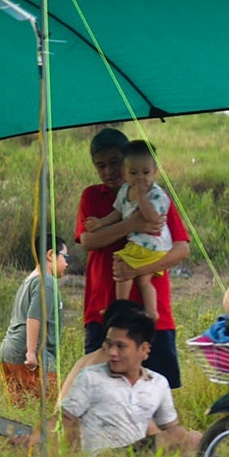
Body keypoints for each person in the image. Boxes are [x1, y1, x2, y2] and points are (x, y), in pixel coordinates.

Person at [75, 128, 187, 387]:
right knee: (101, 392)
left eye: (115, 162)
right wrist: (132, 223)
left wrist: (136, 271)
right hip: (103, 312)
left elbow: (181, 250)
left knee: (154, 393)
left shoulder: (157, 196)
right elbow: (89, 240)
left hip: (152, 315)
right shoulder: (92, 196)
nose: (109, 171)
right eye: (100, 165)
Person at [59, 312, 197, 455]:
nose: (113, 352)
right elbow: (68, 420)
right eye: (110, 344)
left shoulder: (150, 380)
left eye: (120, 346)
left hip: (124, 451)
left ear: (143, 349)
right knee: (183, 439)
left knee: (188, 440)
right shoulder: (96, 375)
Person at [0, 243, 65, 403]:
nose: (67, 263)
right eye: (65, 257)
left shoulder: (29, 280)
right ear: (50, 254)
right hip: (29, 359)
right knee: (52, 409)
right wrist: (31, 353)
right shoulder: (47, 282)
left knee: (19, 416)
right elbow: (34, 317)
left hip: (7, 354)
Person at [111, 141, 170, 321]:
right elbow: (117, 212)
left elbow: (153, 218)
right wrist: (101, 223)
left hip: (151, 246)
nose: (140, 178)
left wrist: (142, 196)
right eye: (133, 173)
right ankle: (152, 313)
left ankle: (120, 308)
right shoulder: (125, 190)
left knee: (122, 266)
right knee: (144, 281)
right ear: (124, 173)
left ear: (155, 171)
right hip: (142, 244)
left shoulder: (157, 194)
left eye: (146, 173)